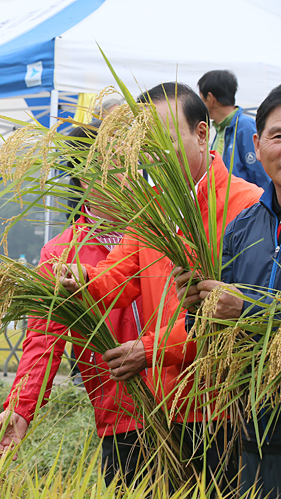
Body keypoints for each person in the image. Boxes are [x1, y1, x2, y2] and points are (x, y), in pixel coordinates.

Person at [59, 82, 262, 487]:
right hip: (162, 409)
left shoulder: (247, 206)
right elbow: (118, 278)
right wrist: (81, 280)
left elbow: (232, 317)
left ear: (201, 133)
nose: (153, 156)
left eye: (163, 141)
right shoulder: (152, 208)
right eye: (145, 144)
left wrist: (149, 349)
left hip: (225, 410)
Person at [0, 123, 146, 486]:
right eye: (104, 169)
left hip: (188, 405)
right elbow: (44, 338)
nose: (120, 179)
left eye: (125, 165)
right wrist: (20, 408)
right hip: (120, 414)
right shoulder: (62, 253)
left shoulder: (162, 229)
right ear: (81, 177)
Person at [172, 84, 281, 498]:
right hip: (251, 431)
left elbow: (244, 309)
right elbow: (210, 333)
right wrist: (196, 306)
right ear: (257, 143)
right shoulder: (243, 227)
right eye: (278, 135)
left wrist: (249, 308)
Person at [198, 70, 269, 187]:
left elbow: (262, 175)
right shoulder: (221, 129)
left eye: (202, 99)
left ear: (211, 98)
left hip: (247, 203)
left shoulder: (245, 126)